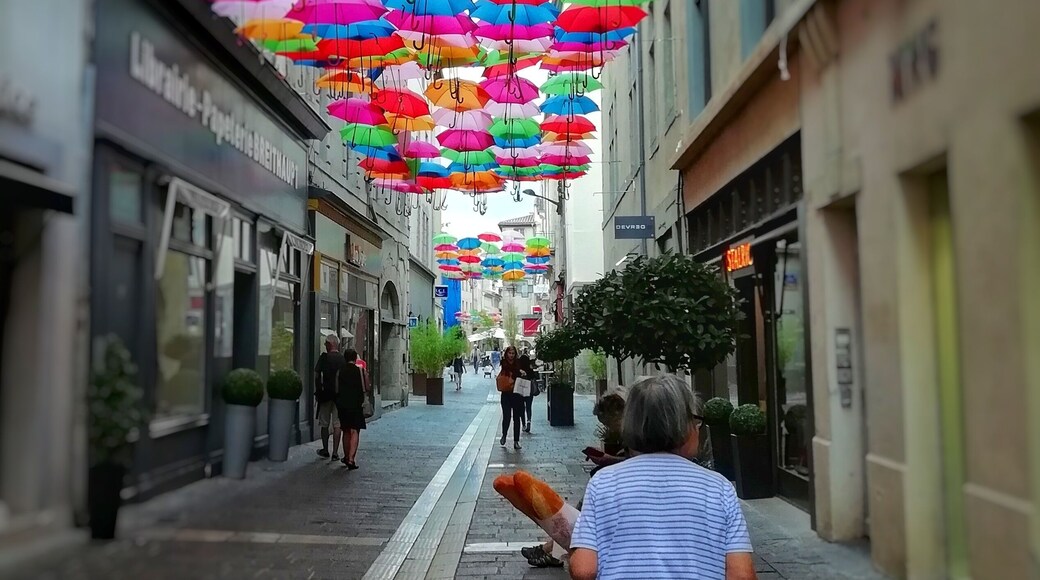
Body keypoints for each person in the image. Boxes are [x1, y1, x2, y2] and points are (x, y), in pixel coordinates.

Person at [569, 374, 757, 580]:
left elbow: (584, 570)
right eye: (696, 421)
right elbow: (742, 575)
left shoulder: (602, 483)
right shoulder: (719, 488)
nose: (698, 428)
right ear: (684, 425)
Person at [314, 335, 346, 461]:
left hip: (325, 395)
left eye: (326, 343)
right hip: (339, 396)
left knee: (324, 423)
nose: (325, 346)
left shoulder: (324, 358)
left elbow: (316, 375)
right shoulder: (342, 359)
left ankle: (325, 449)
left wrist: (318, 390)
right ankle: (335, 452)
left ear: (330, 344)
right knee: (337, 424)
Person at [337, 348, 367, 470]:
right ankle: (351, 458)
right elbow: (367, 387)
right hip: (356, 404)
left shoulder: (340, 371)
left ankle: (345, 456)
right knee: (355, 430)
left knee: (346, 430)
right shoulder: (360, 370)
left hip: (343, 404)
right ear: (355, 358)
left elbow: (336, 388)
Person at [497, 346, 524, 450]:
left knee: (517, 418)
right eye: (510, 353)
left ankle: (516, 441)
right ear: (506, 354)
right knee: (506, 416)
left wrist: (523, 372)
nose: (511, 355)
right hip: (506, 393)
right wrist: (518, 371)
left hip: (517, 394)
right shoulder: (504, 363)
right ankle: (504, 435)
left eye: (513, 353)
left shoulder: (518, 363)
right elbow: (507, 371)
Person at [517, 354, 536, 433]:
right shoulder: (530, 370)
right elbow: (534, 378)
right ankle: (529, 421)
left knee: (521, 407)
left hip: (521, 390)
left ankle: (523, 424)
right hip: (529, 390)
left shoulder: (519, 370)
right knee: (528, 407)